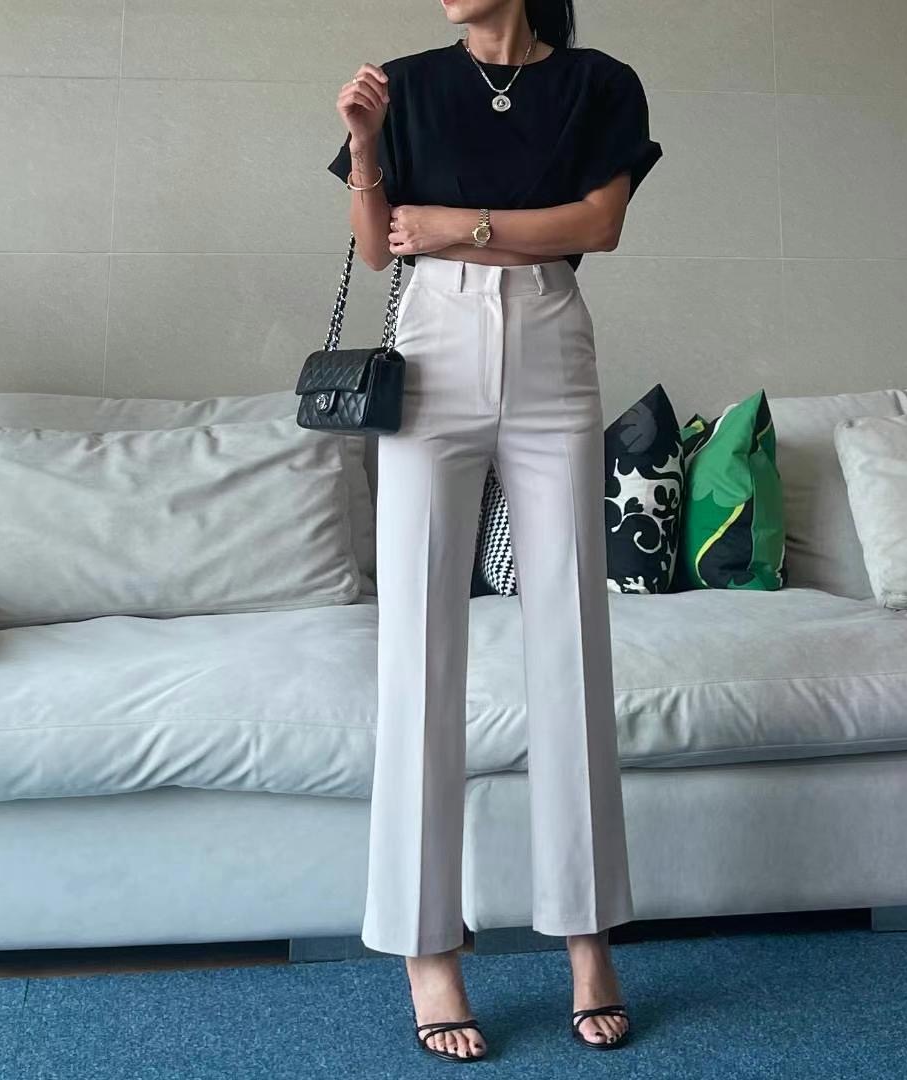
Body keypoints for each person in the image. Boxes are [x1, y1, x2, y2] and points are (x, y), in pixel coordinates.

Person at [327, 0, 662, 1063]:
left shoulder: (598, 82)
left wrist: (460, 225)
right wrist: (369, 152)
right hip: (432, 343)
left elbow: (598, 225)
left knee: (570, 637)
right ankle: (428, 951)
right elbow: (378, 249)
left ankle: (587, 940)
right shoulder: (408, 84)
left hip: (552, 341)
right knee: (419, 645)